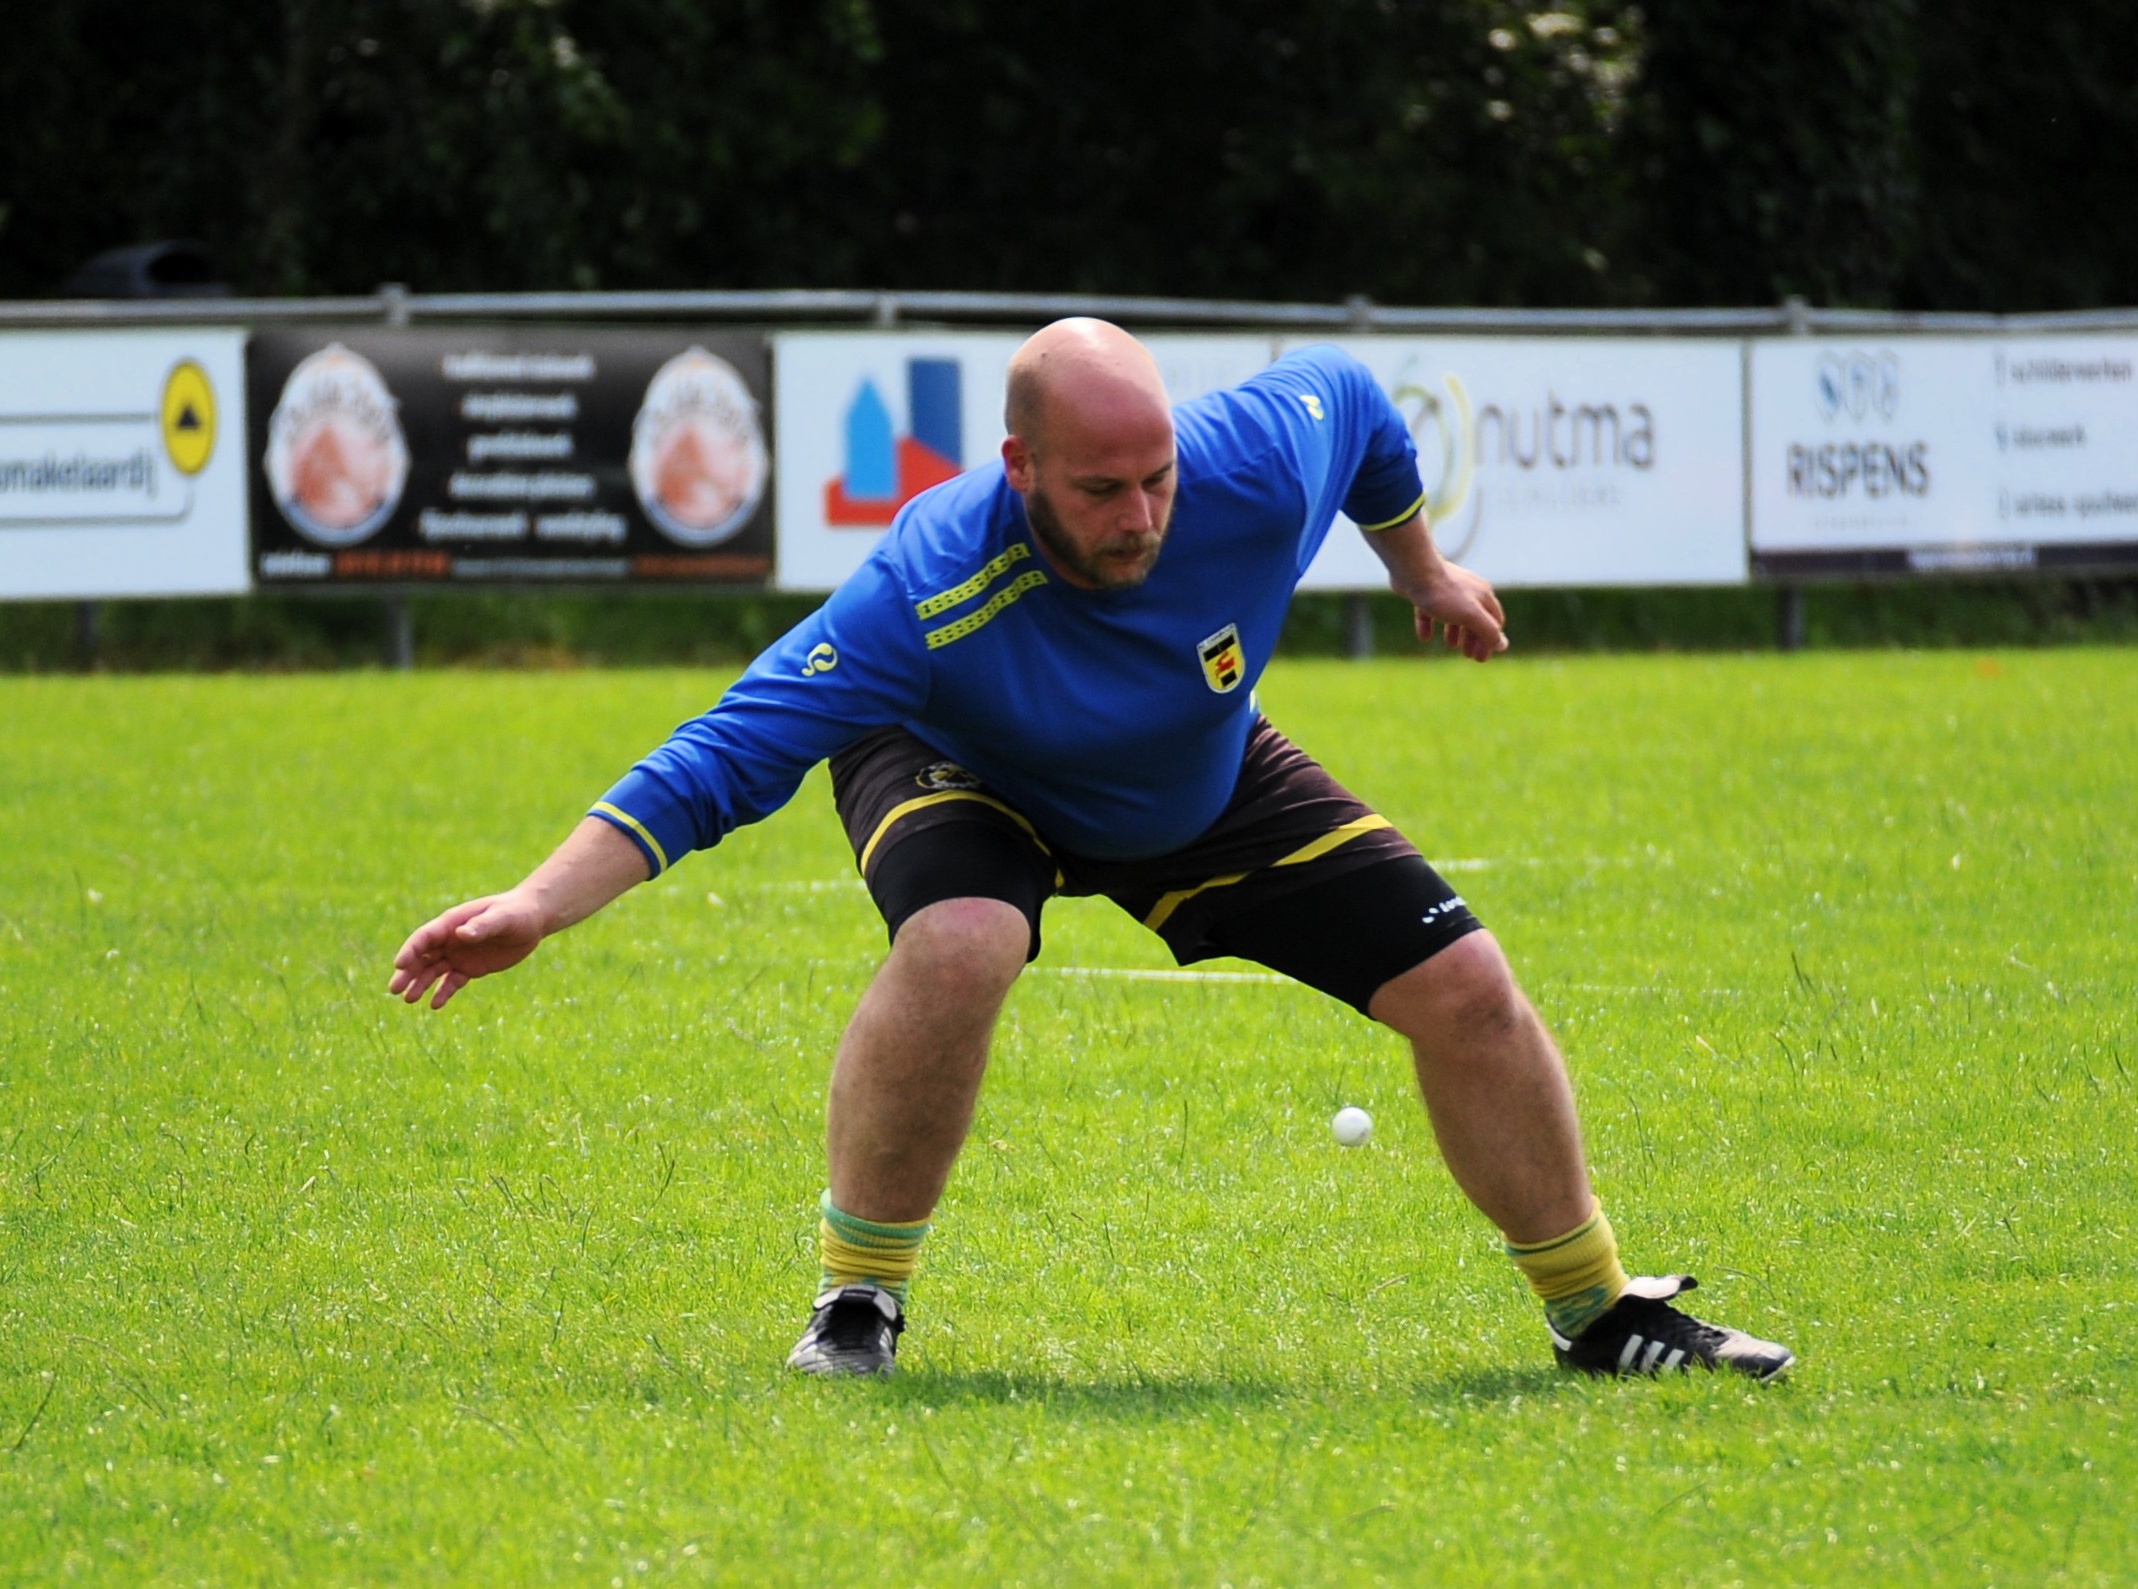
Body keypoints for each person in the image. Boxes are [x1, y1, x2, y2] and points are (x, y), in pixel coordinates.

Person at [389, 319, 1793, 1384]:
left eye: (1156, 479)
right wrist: (538, 905)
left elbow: (1362, 406)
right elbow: (725, 753)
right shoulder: (926, 587)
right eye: (1103, 489)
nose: (1141, 516)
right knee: (963, 941)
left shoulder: (1252, 463)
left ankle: (1598, 1313)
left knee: (1467, 987)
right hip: (960, 763)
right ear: (1020, 469)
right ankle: (858, 1299)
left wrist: (1418, 567)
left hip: (1189, 768)